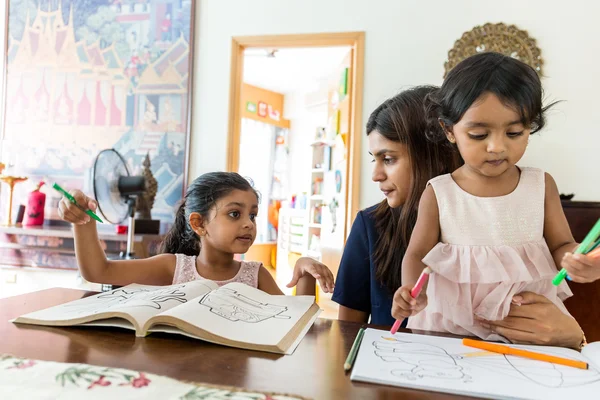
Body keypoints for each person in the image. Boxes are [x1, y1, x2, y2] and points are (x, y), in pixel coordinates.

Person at [296, 84, 586, 349]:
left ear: (432, 152)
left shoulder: (528, 211)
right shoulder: (370, 226)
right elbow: (349, 337)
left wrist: (572, 335)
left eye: (389, 158)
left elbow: (572, 333)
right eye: (375, 159)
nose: (376, 174)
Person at [394, 52, 588, 346]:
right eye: (479, 134)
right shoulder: (440, 191)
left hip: (526, 328)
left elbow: (562, 245)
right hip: (449, 327)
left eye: (514, 132)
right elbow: (417, 254)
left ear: (530, 127)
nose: (497, 146)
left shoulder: (540, 185)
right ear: (449, 131)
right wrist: (412, 288)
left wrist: (579, 259)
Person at [58, 171, 334, 296]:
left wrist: (304, 271)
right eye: (235, 214)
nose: (249, 224)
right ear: (199, 224)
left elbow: (295, 321)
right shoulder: (172, 267)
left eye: (253, 215)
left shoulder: (256, 275)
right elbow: (98, 272)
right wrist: (83, 222)